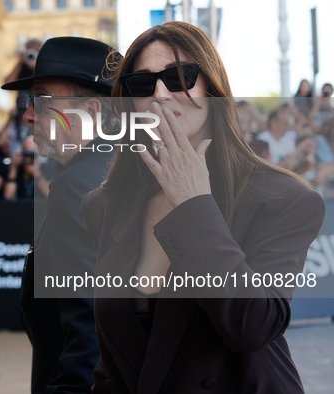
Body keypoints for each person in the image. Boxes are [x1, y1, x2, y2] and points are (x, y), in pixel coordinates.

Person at [80, 21, 325, 393]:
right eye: (143, 84)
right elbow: (116, 354)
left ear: (212, 88)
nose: (160, 94)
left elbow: (252, 327)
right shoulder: (104, 204)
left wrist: (193, 205)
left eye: (180, 77)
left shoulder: (284, 199)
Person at [1, 36, 122, 393]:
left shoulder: (77, 185)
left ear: (91, 111)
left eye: (41, 100)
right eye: (29, 100)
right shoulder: (115, 168)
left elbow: (90, 324)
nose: (27, 114)